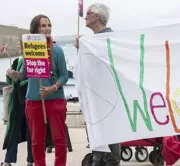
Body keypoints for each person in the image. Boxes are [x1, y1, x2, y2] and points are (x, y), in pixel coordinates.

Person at [7, 14, 69, 166]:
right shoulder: (29, 51)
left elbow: (64, 76)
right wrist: (15, 74)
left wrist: (53, 88)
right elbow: (25, 75)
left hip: (55, 100)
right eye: (43, 25)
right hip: (34, 101)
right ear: (35, 29)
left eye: (49, 25)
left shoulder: (58, 50)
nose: (47, 28)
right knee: (36, 141)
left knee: (59, 140)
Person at [75, 3, 121, 166]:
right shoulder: (92, 40)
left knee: (111, 148)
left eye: (88, 14)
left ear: (96, 16)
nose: (85, 17)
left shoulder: (110, 38)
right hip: (96, 99)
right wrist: (81, 50)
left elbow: (109, 64)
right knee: (98, 148)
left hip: (108, 99)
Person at [1, 40, 33, 166]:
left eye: (20, 45)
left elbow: (31, 80)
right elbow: (10, 81)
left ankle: (31, 161)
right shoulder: (18, 61)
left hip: (29, 100)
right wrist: (9, 75)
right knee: (13, 131)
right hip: (17, 103)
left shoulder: (31, 61)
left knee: (31, 132)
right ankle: (8, 161)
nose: (19, 47)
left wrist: (18, 80)